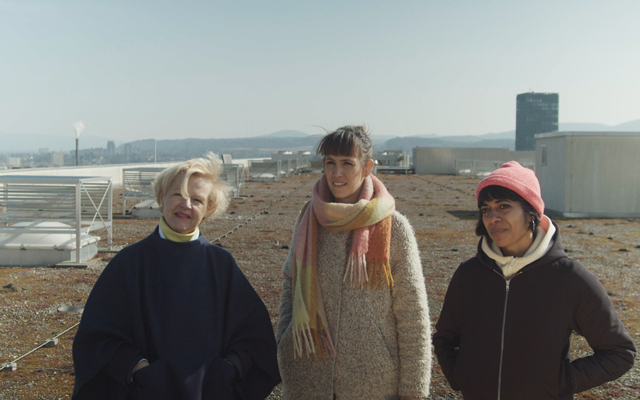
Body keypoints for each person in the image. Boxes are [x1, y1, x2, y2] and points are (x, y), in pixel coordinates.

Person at [72, 153, 281, 400]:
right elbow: (96, 338)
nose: (186, 205)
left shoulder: (221, 264)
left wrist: (229, 369)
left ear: (208, 209)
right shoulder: (129, 262)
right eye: (178, 195)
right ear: (162, 197)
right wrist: (138, 369)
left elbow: (254, 335)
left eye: (197, 199)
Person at [432, 161, 636, 400]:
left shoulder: (569, 278)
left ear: (531, 213)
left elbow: (619, 352)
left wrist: (562, 382)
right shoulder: (469, 275)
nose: (493, 217)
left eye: (504, 206)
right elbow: (445, 337)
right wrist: (459, 375)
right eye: (486, 209)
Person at [276, 126, 431, 400]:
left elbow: (412, 314)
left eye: (347, 163)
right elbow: (290, 285)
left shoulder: (394, 228)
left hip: (374, 386)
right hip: (308, 379)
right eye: (330, 163)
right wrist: (285, 337)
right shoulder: (308, 220)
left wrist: (413, 390)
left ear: (367, 167)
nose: (337, 173)